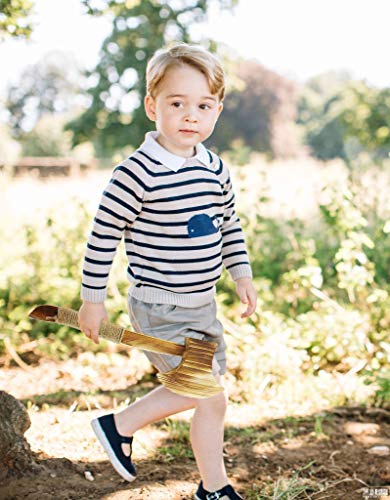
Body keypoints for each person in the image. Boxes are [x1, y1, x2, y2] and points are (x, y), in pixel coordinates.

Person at [78, 43, 257, 500]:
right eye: (177, 103)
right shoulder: (136, 172)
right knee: (201, 389)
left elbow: (229, 224)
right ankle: (118, 424)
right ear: (152, 106)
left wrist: (241, 274)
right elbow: (103, 236)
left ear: (217, 110)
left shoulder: (214, 169)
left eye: (203, 105)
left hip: (203, 305)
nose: (190, 116)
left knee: (212, 399)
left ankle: (213, 489)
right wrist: (91, 300)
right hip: (160, 304)